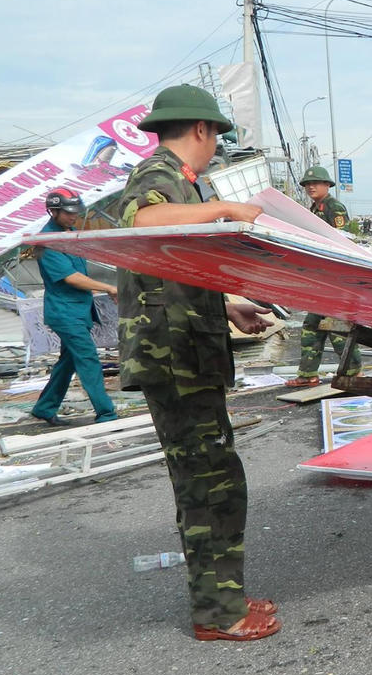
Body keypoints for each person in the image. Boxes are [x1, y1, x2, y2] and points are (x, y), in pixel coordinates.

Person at [118, 84, 279, 642]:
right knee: (210, 485)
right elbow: (141, 224)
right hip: (176, 363)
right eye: (217, 138)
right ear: (203, 130)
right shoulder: (157, 178)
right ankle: (218, 614)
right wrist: (225, 209)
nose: (217, 149)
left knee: (212, 480)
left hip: (188, 356)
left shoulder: (176, 184)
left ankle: (221, 600)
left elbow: (171, 267)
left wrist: (228, 304)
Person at [29, 189, 119, 427]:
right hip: (65, 313)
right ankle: (106, 412)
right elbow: (72, 278)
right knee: (88, 359)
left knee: (68, 361)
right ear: (53, 211)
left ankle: (44, 407)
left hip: (78, 310)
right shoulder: (48, 242)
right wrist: (108, 288)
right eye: (68, 213)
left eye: (76, 212)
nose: (73, 217)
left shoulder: (68, 234)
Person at [283, 166, 364, 388]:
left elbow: (343, 239)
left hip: (335, 278)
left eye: (316, 183)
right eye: (308, 184)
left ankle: (353, 373)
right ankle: (308, 374)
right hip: (322, 278)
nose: (311, 186)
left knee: (335, 326)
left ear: (327, 185)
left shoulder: (334, 207)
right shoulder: (314, 208)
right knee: (312, 325)